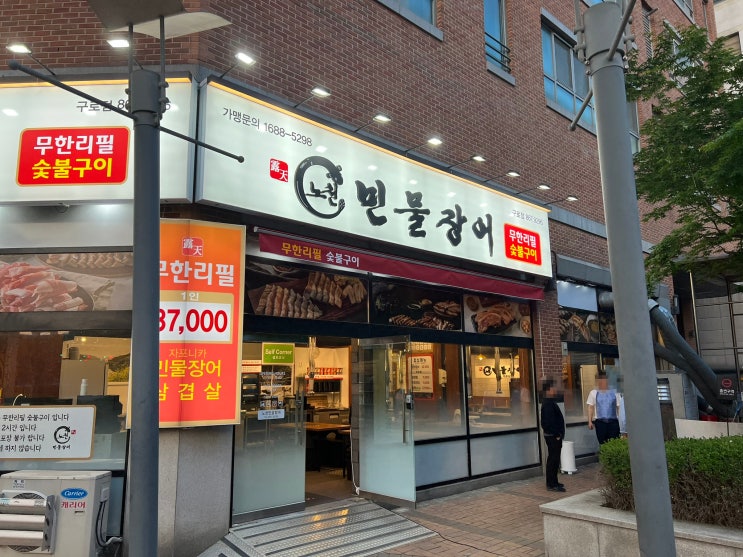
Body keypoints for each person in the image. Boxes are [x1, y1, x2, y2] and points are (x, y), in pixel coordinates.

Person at [540, 380, 566, 492]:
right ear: (548, 390)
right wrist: (556, 434)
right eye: (553, 388)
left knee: (555, 459)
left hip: (554, 435)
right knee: (553, 459)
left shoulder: (550, 402)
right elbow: (547, 422)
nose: (555, 390)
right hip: (552, 436)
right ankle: (551, 484)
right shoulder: (547, 404)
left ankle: (554, 481)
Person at [586, 375, 621, 444]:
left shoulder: (615, 392)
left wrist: (621, 423)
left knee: (614, 442)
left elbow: (619, 407)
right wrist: (590, 421)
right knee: (602, 442)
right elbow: (590, 407)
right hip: (600, 422)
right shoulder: (593, 392)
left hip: (613, 422)